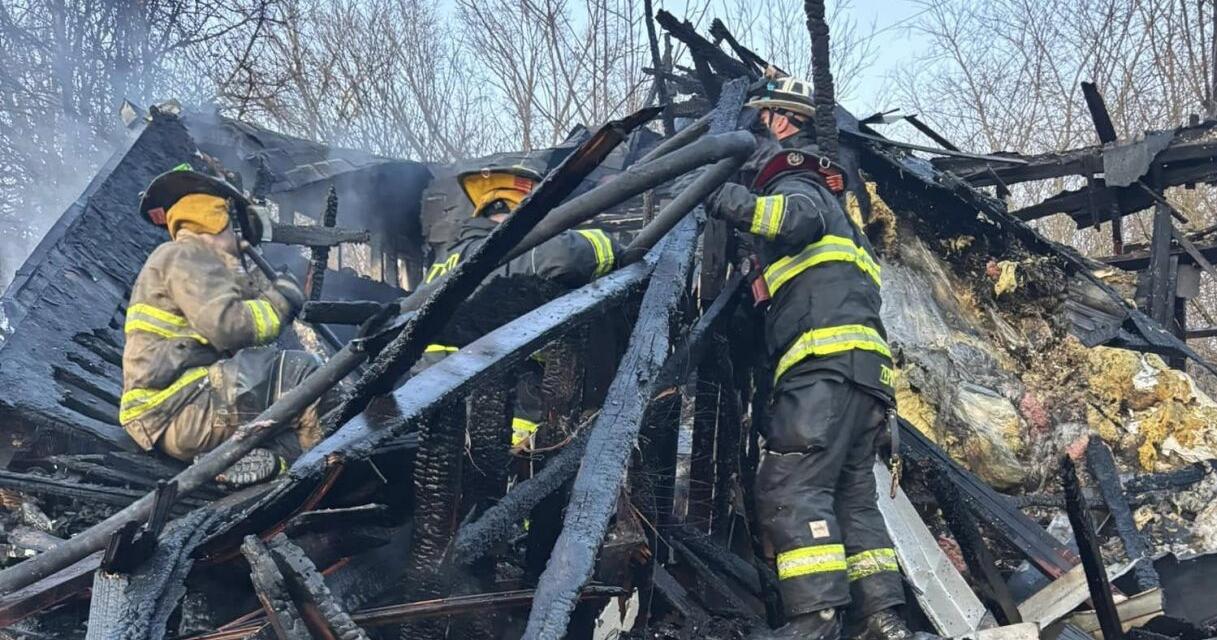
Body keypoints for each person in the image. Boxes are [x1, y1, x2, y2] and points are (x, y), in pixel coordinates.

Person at [704, 77, 921, 640]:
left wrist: (726, 198)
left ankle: (814, 622)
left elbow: (789, 219)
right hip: (865, 378)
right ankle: (883, 620)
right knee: (851, 500)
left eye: (761, 124)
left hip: (821, 371)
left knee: (791, 488)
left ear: (779, 121)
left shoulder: (799, 184)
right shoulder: (851, 229)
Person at [121, 165, 332, 487]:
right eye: (236, 233)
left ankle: (273, 462)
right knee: (305, 376)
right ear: (215, 220)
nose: (240, 245)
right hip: (180, 409)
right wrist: (278, 302)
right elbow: (228, 326)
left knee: (290, 405)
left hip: (180, 415)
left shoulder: (189, 264)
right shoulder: (186, 255)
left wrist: (261, 290)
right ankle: (331, 473)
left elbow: (232, 335)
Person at [419, 163, 621, 448]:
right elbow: (567, 256)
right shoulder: (508, 250)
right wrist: (605, 241)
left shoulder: (444, 263)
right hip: (508, 426)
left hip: (443, 421)